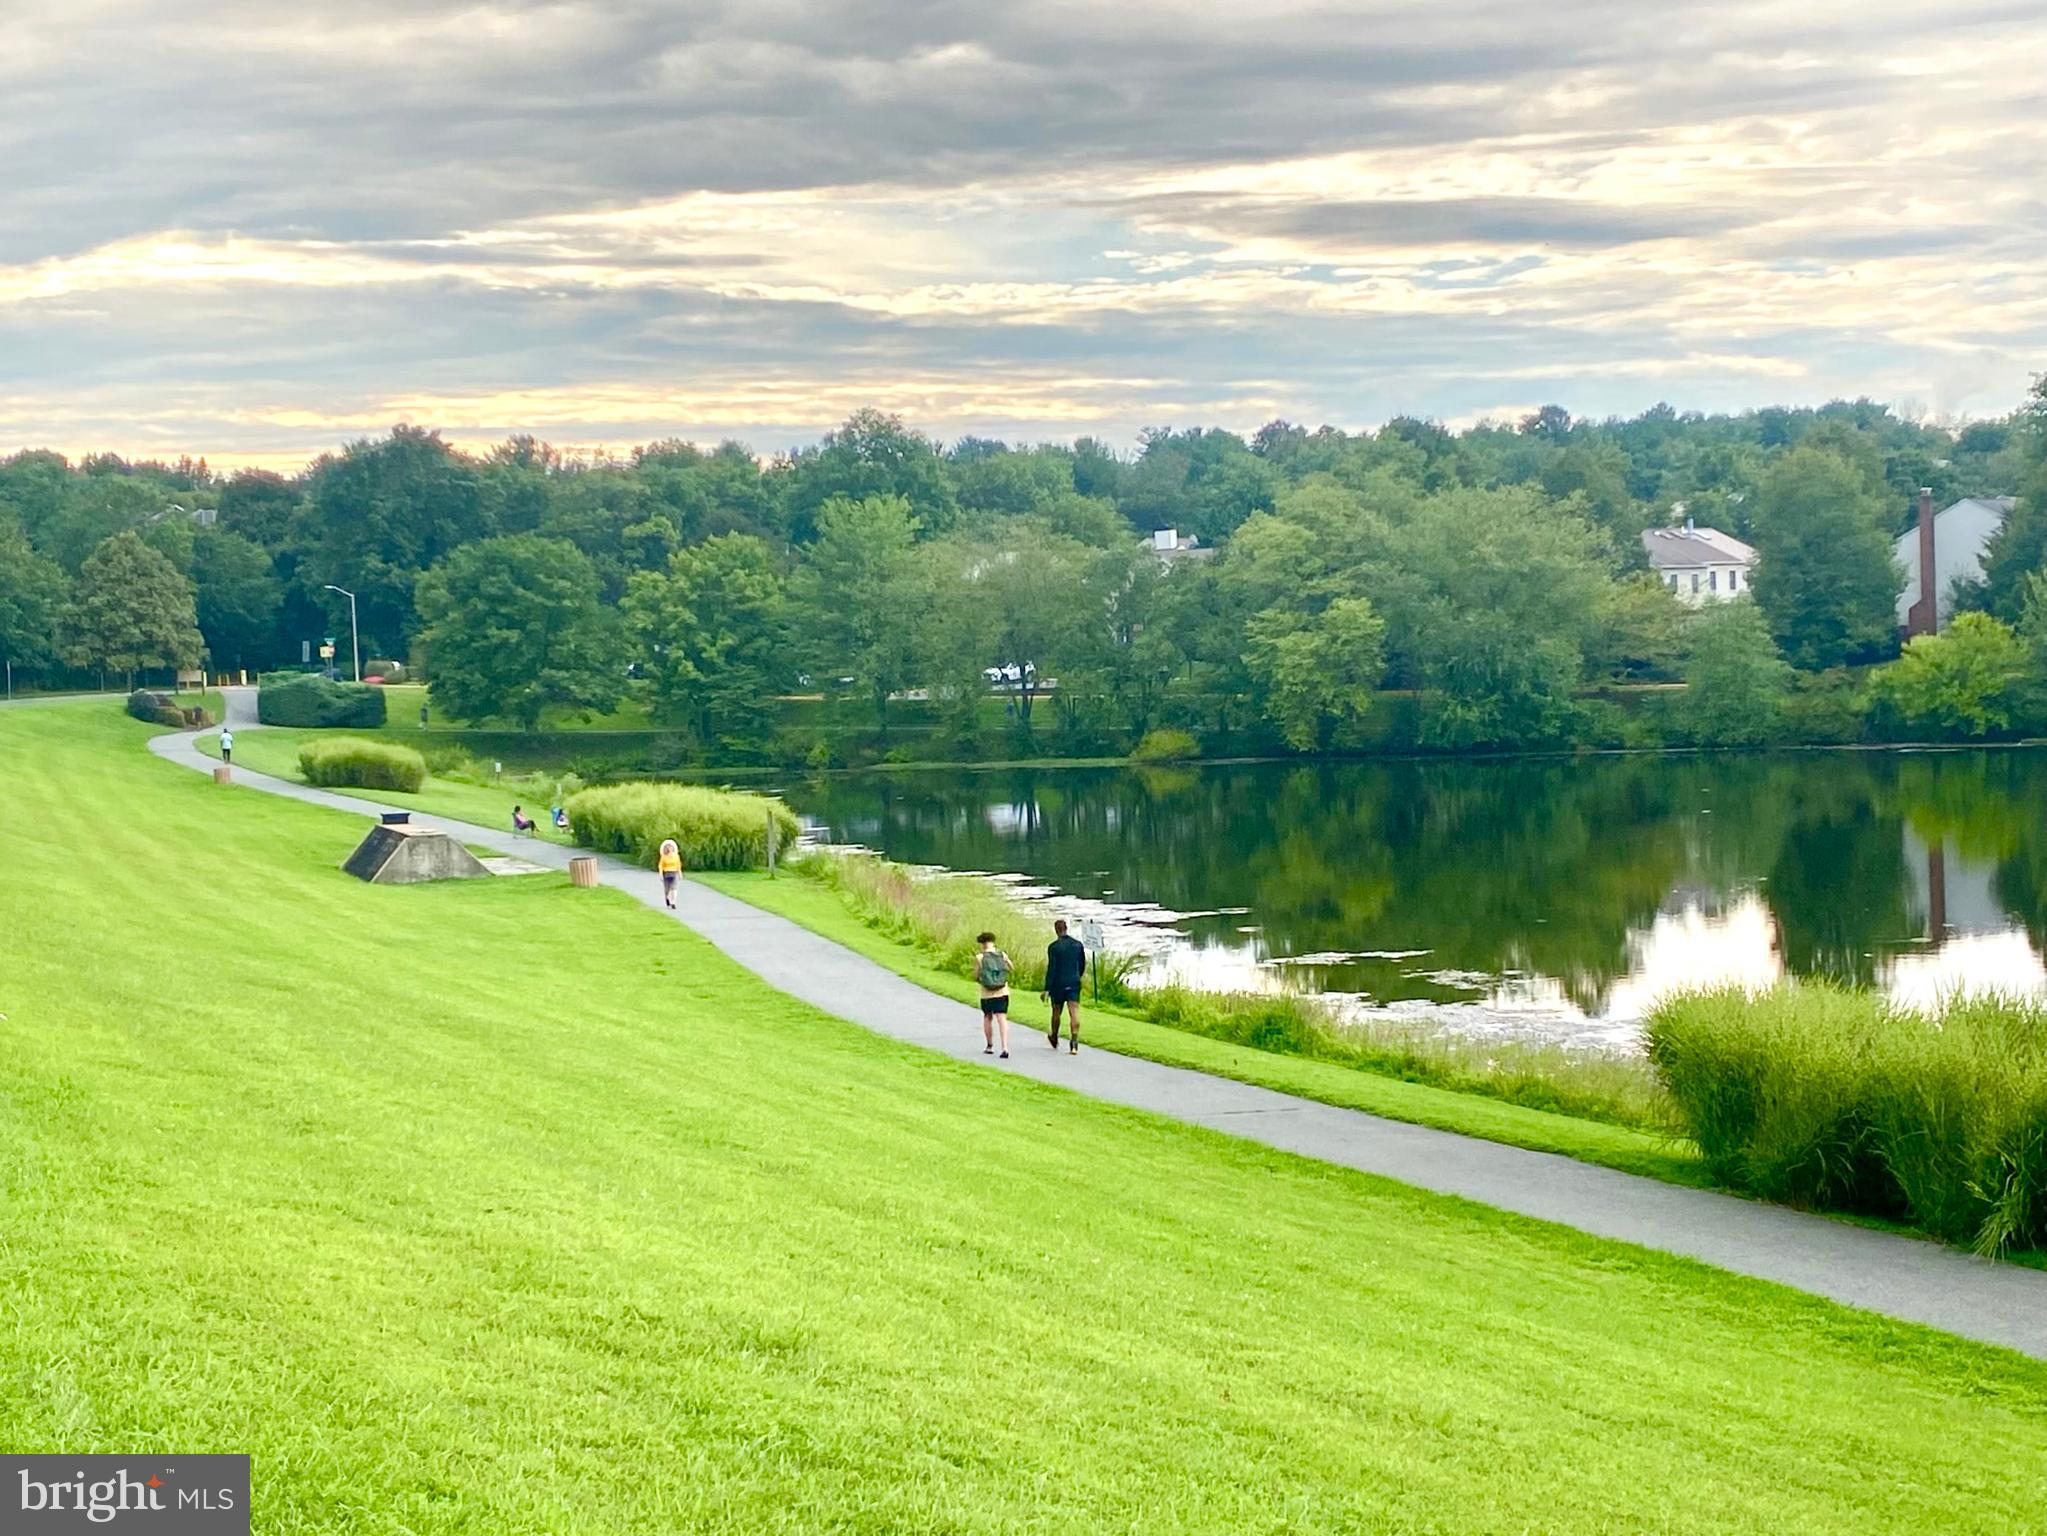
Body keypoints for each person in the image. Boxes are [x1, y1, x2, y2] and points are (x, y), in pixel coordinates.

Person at [1043, 918, 1087, 1054]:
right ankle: (1074, 1043)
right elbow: (1082, 964)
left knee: (1056, 1011)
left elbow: (1052, 968)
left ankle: (1054, 1036)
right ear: (1066, 928)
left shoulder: (1053, 947)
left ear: (1056, 930)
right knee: (1074, 1011)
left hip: (1058, 983)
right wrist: (1077, 976)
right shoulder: (1078, 945)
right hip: (1073, 982)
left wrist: (1047, 988)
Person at [974, 931, 1013, 1058]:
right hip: (1002, 992)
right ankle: (1005, 1047)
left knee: (987, 1017)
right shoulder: (1002, 955)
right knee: (1002, 1019)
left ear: (982, 944)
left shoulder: (980, 957)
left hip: (986, 993)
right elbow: (1011, 968)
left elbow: (975, 975)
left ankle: (990, 1046)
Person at [657, 838, 683, 909]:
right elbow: (661, 866)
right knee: (667, 889)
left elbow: (678, 865)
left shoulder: (676, 856)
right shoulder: (663, 857)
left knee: (674, 889)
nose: (670, 848)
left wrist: (680, 873)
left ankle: (673, 903)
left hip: (674, 873)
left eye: (671, 847)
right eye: (668, 847)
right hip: (666, 874)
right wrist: (660, 874)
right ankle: (668, 899)